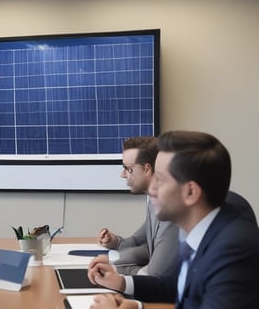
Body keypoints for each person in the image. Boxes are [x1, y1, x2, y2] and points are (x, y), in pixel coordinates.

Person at [88, 130, 259, 309]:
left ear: (191, 192)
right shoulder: (198, 228)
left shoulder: (233, 252)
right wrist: (123, 285)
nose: (151, 188)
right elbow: (179, 287)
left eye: (159, 180)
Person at [97, 136, 179, 275]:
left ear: (147, 169)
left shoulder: (170, 207)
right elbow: (146, 246)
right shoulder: (152, 201)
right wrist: (115, 245)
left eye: (128, 169)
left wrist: (116, 270)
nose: (122, 175)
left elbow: (154, 275)